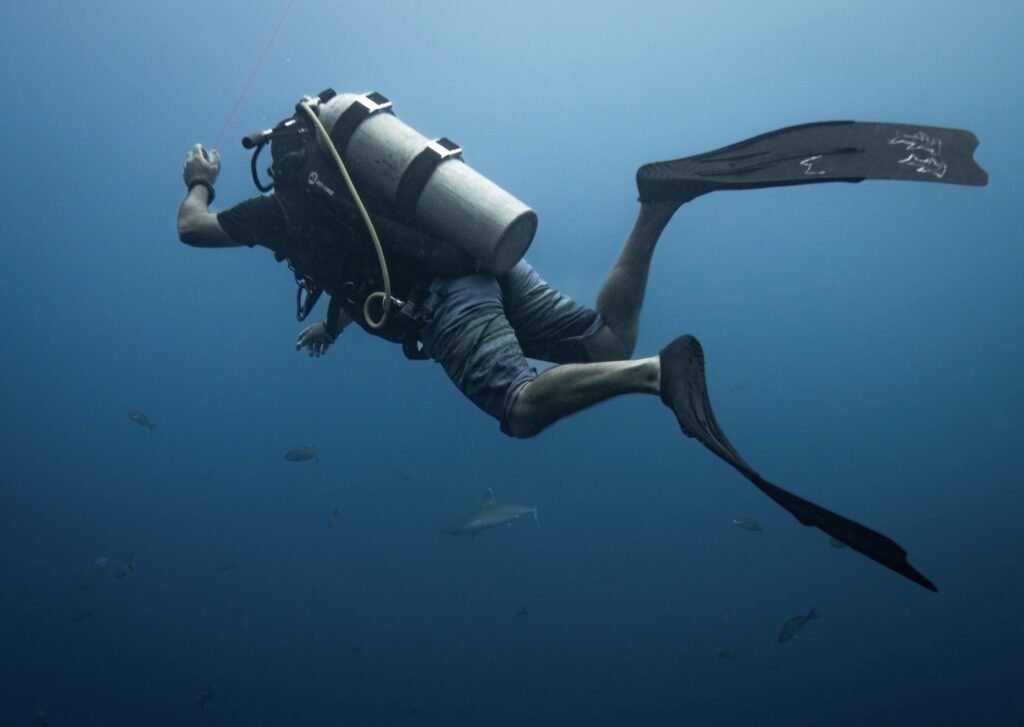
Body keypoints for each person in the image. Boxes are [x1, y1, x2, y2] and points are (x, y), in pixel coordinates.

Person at [176, 108, 988, 592]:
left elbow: (192, 229)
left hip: (444, 297)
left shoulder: (278, 213)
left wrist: (200, 177)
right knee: (604, 336)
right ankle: (659, 205)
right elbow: (366, 260)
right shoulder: (345, 191)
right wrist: (336, 322)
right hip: (490, 256)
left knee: (520, 407)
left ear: (275, 167)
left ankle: (651, 377)